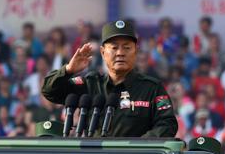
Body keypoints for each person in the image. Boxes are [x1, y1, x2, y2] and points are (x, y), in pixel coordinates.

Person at [42, 19, 178, 138]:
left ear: (136, 51)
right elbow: (50, 91)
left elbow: (167, 124)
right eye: (114, 48)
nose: (120, 53)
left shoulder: (151, 88)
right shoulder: (90, 84)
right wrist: (68, 70)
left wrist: (139, 147)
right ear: (102, 52)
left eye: (126, 48)